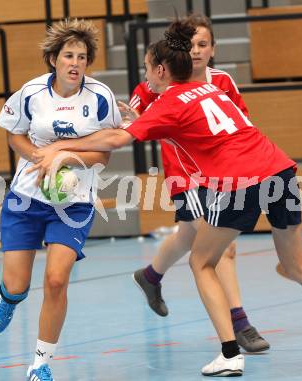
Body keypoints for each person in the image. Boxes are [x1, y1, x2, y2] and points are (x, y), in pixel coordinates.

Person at [30, 20, 302, 377]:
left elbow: (115, 140)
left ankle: (229, 353)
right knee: (297, 266)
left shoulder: (169, 102)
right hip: (280, 170)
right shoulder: (211, 90)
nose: (146, 75)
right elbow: (197, 125)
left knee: (202, 262)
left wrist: (60, 145)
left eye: (146, 68)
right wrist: (145, 119)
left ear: (160, 70)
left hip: (239, 181)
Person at [123, 13, 268, 353]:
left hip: (223, 170)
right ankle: (240, 323)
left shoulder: (223, 82)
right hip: (184, 174)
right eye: (190, 45)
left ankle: (150, 276)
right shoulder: (153, 85)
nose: (197, 51)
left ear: (214, 49)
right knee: (221, 246)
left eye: (203, 44)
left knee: (189, 236)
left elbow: (242, 123)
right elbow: (132, 122)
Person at [0, 19, 121, 381]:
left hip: (73, 202)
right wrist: (39, 159)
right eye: (68, 56)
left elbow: (105, 154)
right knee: (17, 284)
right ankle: (7, 299)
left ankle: (40, 363)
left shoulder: (100, 98)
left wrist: (65, 159)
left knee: (57, 279)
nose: (75, 63)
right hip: (26, 197)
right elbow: (15, 136)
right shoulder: (31, 93)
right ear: (53, 59)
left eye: (81, 57)